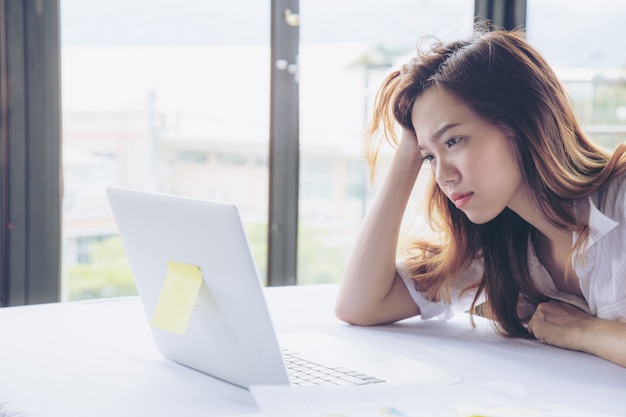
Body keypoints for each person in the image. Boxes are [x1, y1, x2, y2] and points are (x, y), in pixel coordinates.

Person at [335, 26, 626, 368]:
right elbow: (360, 305)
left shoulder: (619, 200)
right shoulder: (503, 245)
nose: (443, 176)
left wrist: (582, 331)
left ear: (521, 122)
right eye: (429, 157)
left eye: (454, 141)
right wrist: (408, 154)